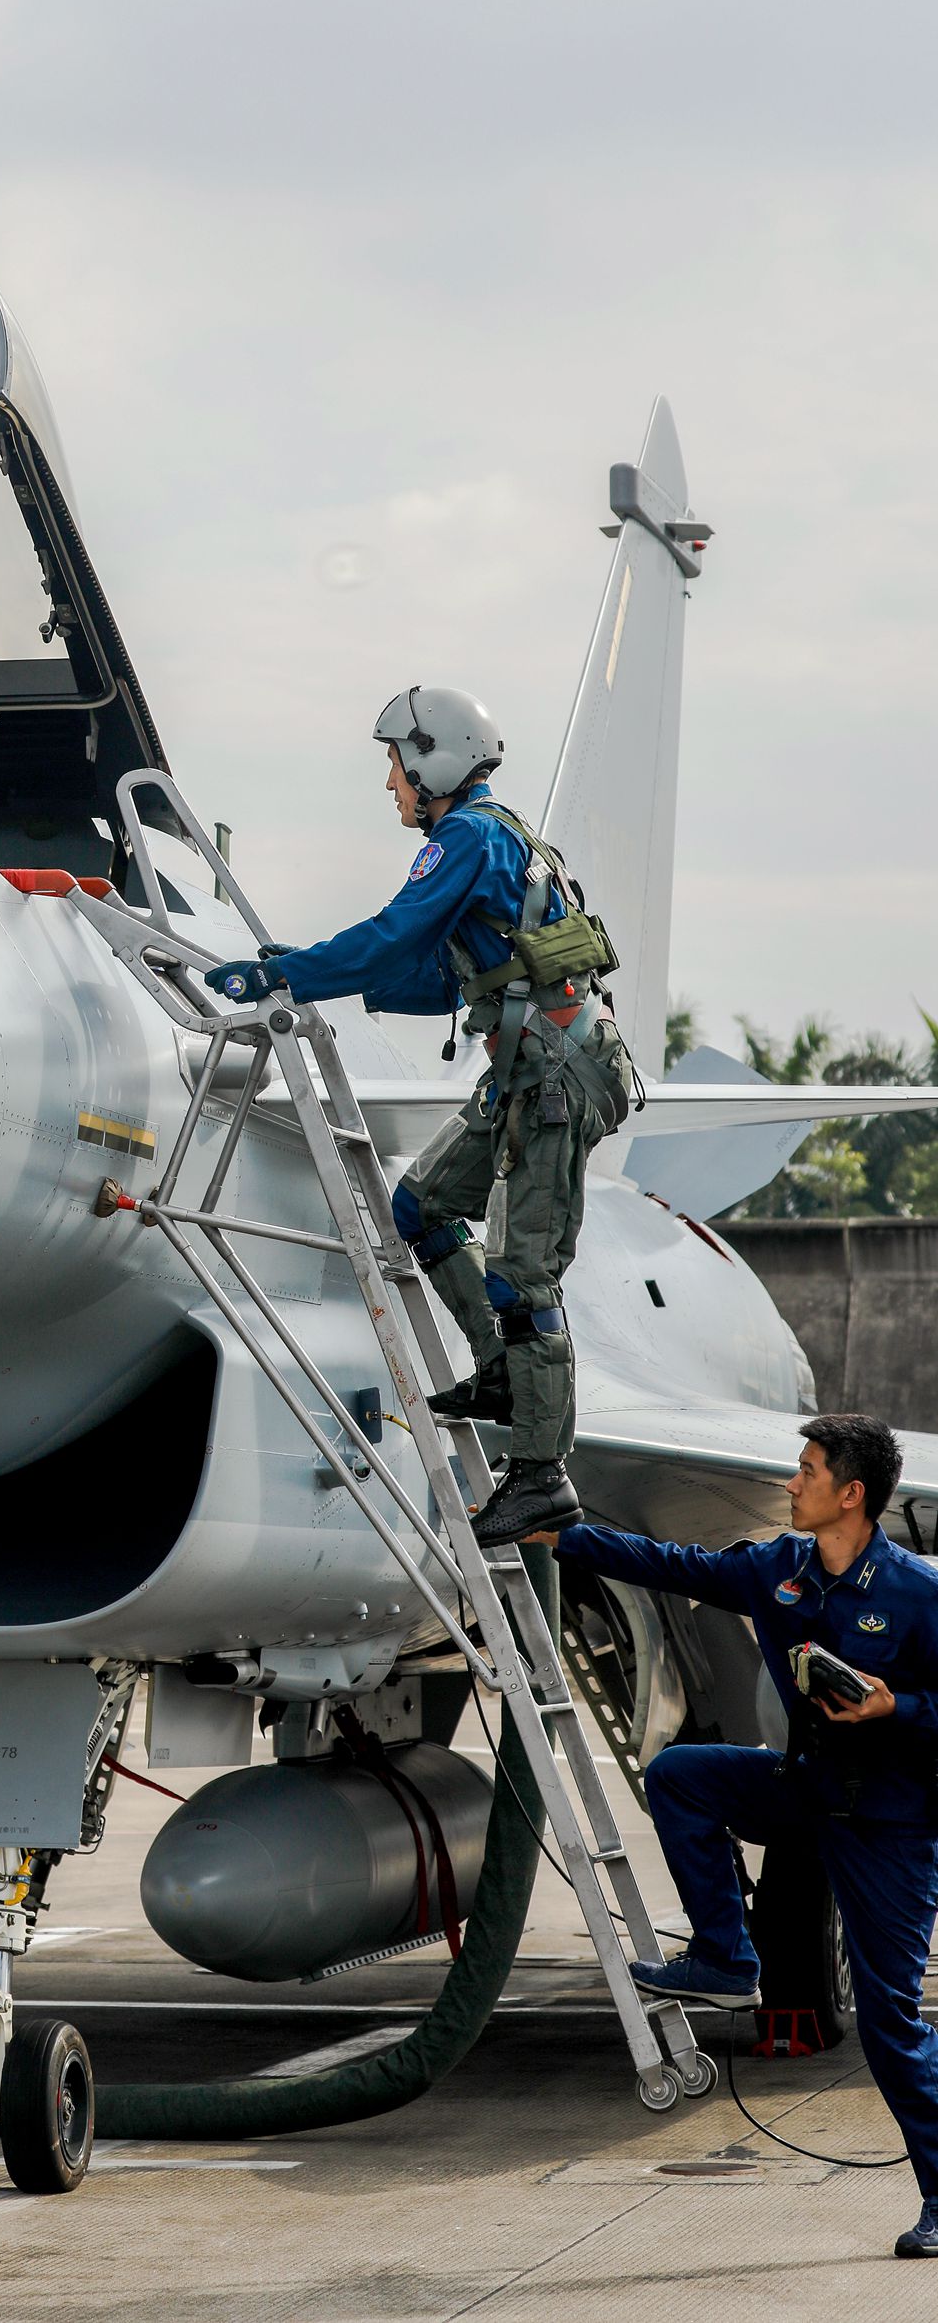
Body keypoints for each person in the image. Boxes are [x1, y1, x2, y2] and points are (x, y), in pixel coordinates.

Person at [204, 685, 632, 1546]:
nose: (390, 784)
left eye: (396, 765)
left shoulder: (466, 837)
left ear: (435, 761)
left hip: (555, 1076)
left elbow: (394, 936)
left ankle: (542, 1476)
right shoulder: (497, 838)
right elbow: (441, 977)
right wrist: (315, 966)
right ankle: (501, 1371)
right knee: (422, 1207)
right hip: (531, 1069)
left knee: (523, 1274)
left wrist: (285, 976)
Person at [532, 1415, 938, 2261]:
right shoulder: (777, 1568)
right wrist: (562, 1536)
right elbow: (673, 1564)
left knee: (892, 2024)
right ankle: (725, 1956)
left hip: (889, 1825)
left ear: (851, 1494)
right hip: (806, 1788)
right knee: (682, 1776)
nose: (791, 1483)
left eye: (807, 1471)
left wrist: (892, 1706)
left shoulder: (916, 1592)